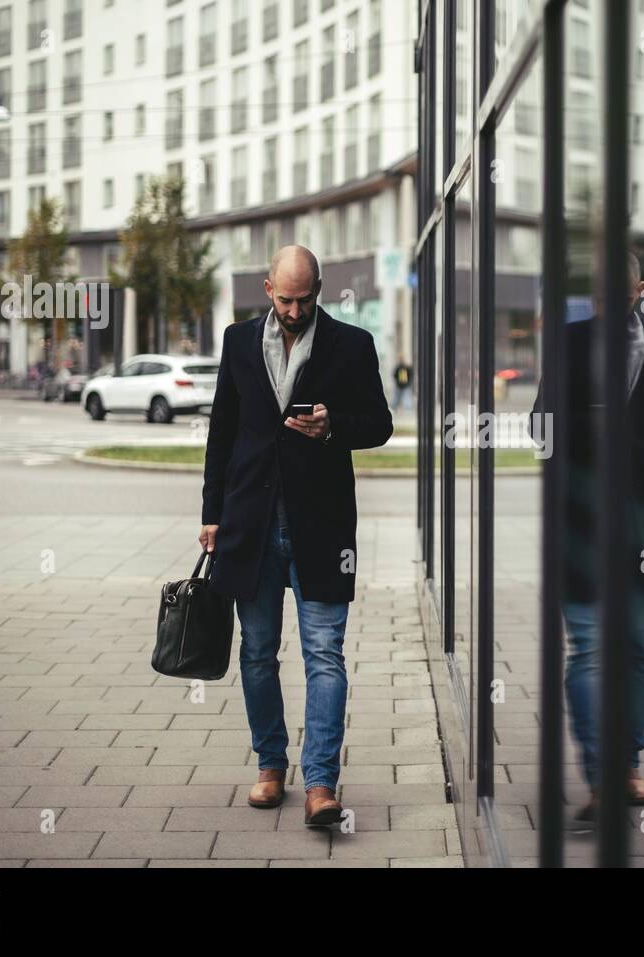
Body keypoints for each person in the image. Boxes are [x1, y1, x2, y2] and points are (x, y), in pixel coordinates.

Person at [199, 245, 393, 826]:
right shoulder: (238, 342)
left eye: (305, 299)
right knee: (257, 653)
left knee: (324, 656)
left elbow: (380, 424)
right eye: (285, 299)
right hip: (248, 527)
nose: (294, 309)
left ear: (319, 290)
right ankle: (270, 765)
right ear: (267, 290)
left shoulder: (352, 345)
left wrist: (334, 426)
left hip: (322, 526)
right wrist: (211, 513)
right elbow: (222, 434)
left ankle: (321, 784)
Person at [531, 249, 644, 824]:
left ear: (639, 290)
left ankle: (627, 761)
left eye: (619, 291)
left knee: (640, 646)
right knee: (587, 648)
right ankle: (603, 773)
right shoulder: (569, 341)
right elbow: (540, 426)